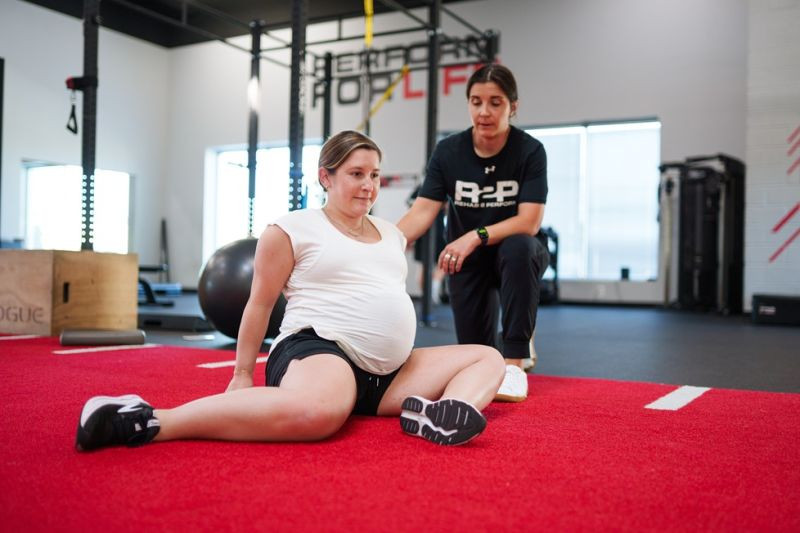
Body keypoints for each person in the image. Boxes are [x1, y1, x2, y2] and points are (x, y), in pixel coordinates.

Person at [75, 130, 505, 452]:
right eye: (356, 174)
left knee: (487, 357)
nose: (368, 186)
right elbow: (259, 304)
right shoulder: (291, 228)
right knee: (318, 414)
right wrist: (242, 374)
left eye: (374, 175)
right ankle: (151, 418)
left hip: (389, 374)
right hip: (317, 349)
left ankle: (438, 413)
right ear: (326, 176)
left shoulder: (391, 234)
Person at [397, 64, 549, 403]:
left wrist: (474, 235)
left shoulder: (530, 151)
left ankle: (515, 362)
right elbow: (423, 210)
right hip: (470, 261)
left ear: (513, 107)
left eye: (496, 102)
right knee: (478, 353)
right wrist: (384, 243)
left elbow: (529, 222)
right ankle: (502, 350)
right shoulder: (449, 152)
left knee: (519, 248)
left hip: (517, 252)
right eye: (476, 101)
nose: (484, 112)